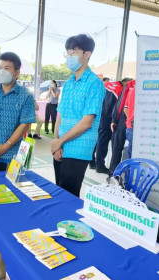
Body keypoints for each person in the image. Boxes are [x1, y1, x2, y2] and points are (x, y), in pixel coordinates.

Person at [51, 34, 105, 197]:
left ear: (87, 54)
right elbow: (60, 114)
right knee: (58, 190)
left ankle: (68, 223)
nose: (70, 56)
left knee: (68, 195)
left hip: (78, 148)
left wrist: (60, 141)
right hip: (60, 146)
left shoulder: (94, 83)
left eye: (74, 51)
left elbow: (87, 122)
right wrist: (56, 142)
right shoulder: (68, 83)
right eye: (68, 52)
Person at [0, 52, 35, 173]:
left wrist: (5, 147)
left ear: (17, 72)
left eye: (7, 68)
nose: (2, 71)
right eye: (0, 67)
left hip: (12, 156)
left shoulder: (26, 95)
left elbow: (24, 125)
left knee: (11, 191)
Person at [95, 78, 132, 174]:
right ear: (125, 83)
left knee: (100, 139)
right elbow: (119, 106)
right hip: (109, 117)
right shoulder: (120, 89)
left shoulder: (108, 84)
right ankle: (100, 166)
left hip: (100, 114)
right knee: (104, 142)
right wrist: (114, 119)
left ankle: (94, 162)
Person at [108, 79, 135, 176]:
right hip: (127, 120)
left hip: (123, 120)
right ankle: (116, 174)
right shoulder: (132, 85)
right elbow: (122, 105)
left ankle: (113, 173)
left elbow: (120, 103)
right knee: (125, 150)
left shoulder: (131, 85)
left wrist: (114, 119)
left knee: (117, 148)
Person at [124, 81, 136, 159]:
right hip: (136, 129)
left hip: (129, 127)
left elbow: (125, 109)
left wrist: (130, 119)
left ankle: (129, 171)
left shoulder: (132, 90)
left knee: (131, 155)